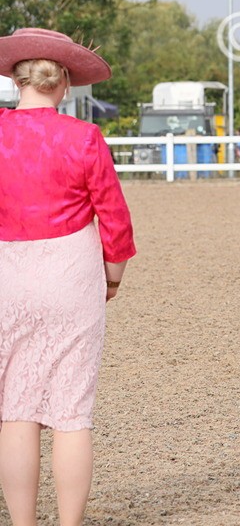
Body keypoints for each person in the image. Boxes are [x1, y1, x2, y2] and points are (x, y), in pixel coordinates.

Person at [0, 28, 136, 526]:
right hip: (70, 273)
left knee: (15, 409)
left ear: (17, 81)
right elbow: (114, 219)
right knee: (71, 411)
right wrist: (112, 278)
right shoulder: (84, 137)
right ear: (62, 83)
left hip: (7, 273)